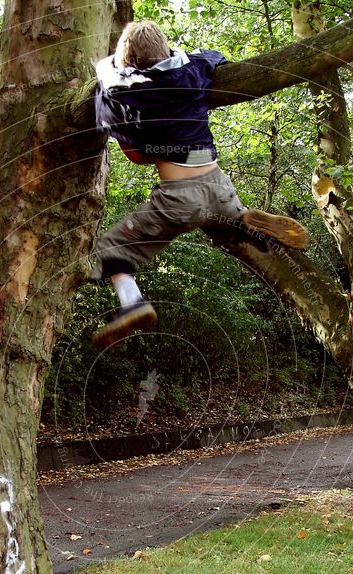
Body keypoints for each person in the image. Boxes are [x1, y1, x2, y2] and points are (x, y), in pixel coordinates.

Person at [90, 21, 308, 349]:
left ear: (127, 64)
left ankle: (133, 303)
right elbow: (212, 56)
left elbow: (130, 147)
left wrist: (109, 71)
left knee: (109, 249)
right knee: (223, 224)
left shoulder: (126, 95)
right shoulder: (194, 71)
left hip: (179, 198)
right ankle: (243, 221)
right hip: (219, 185)